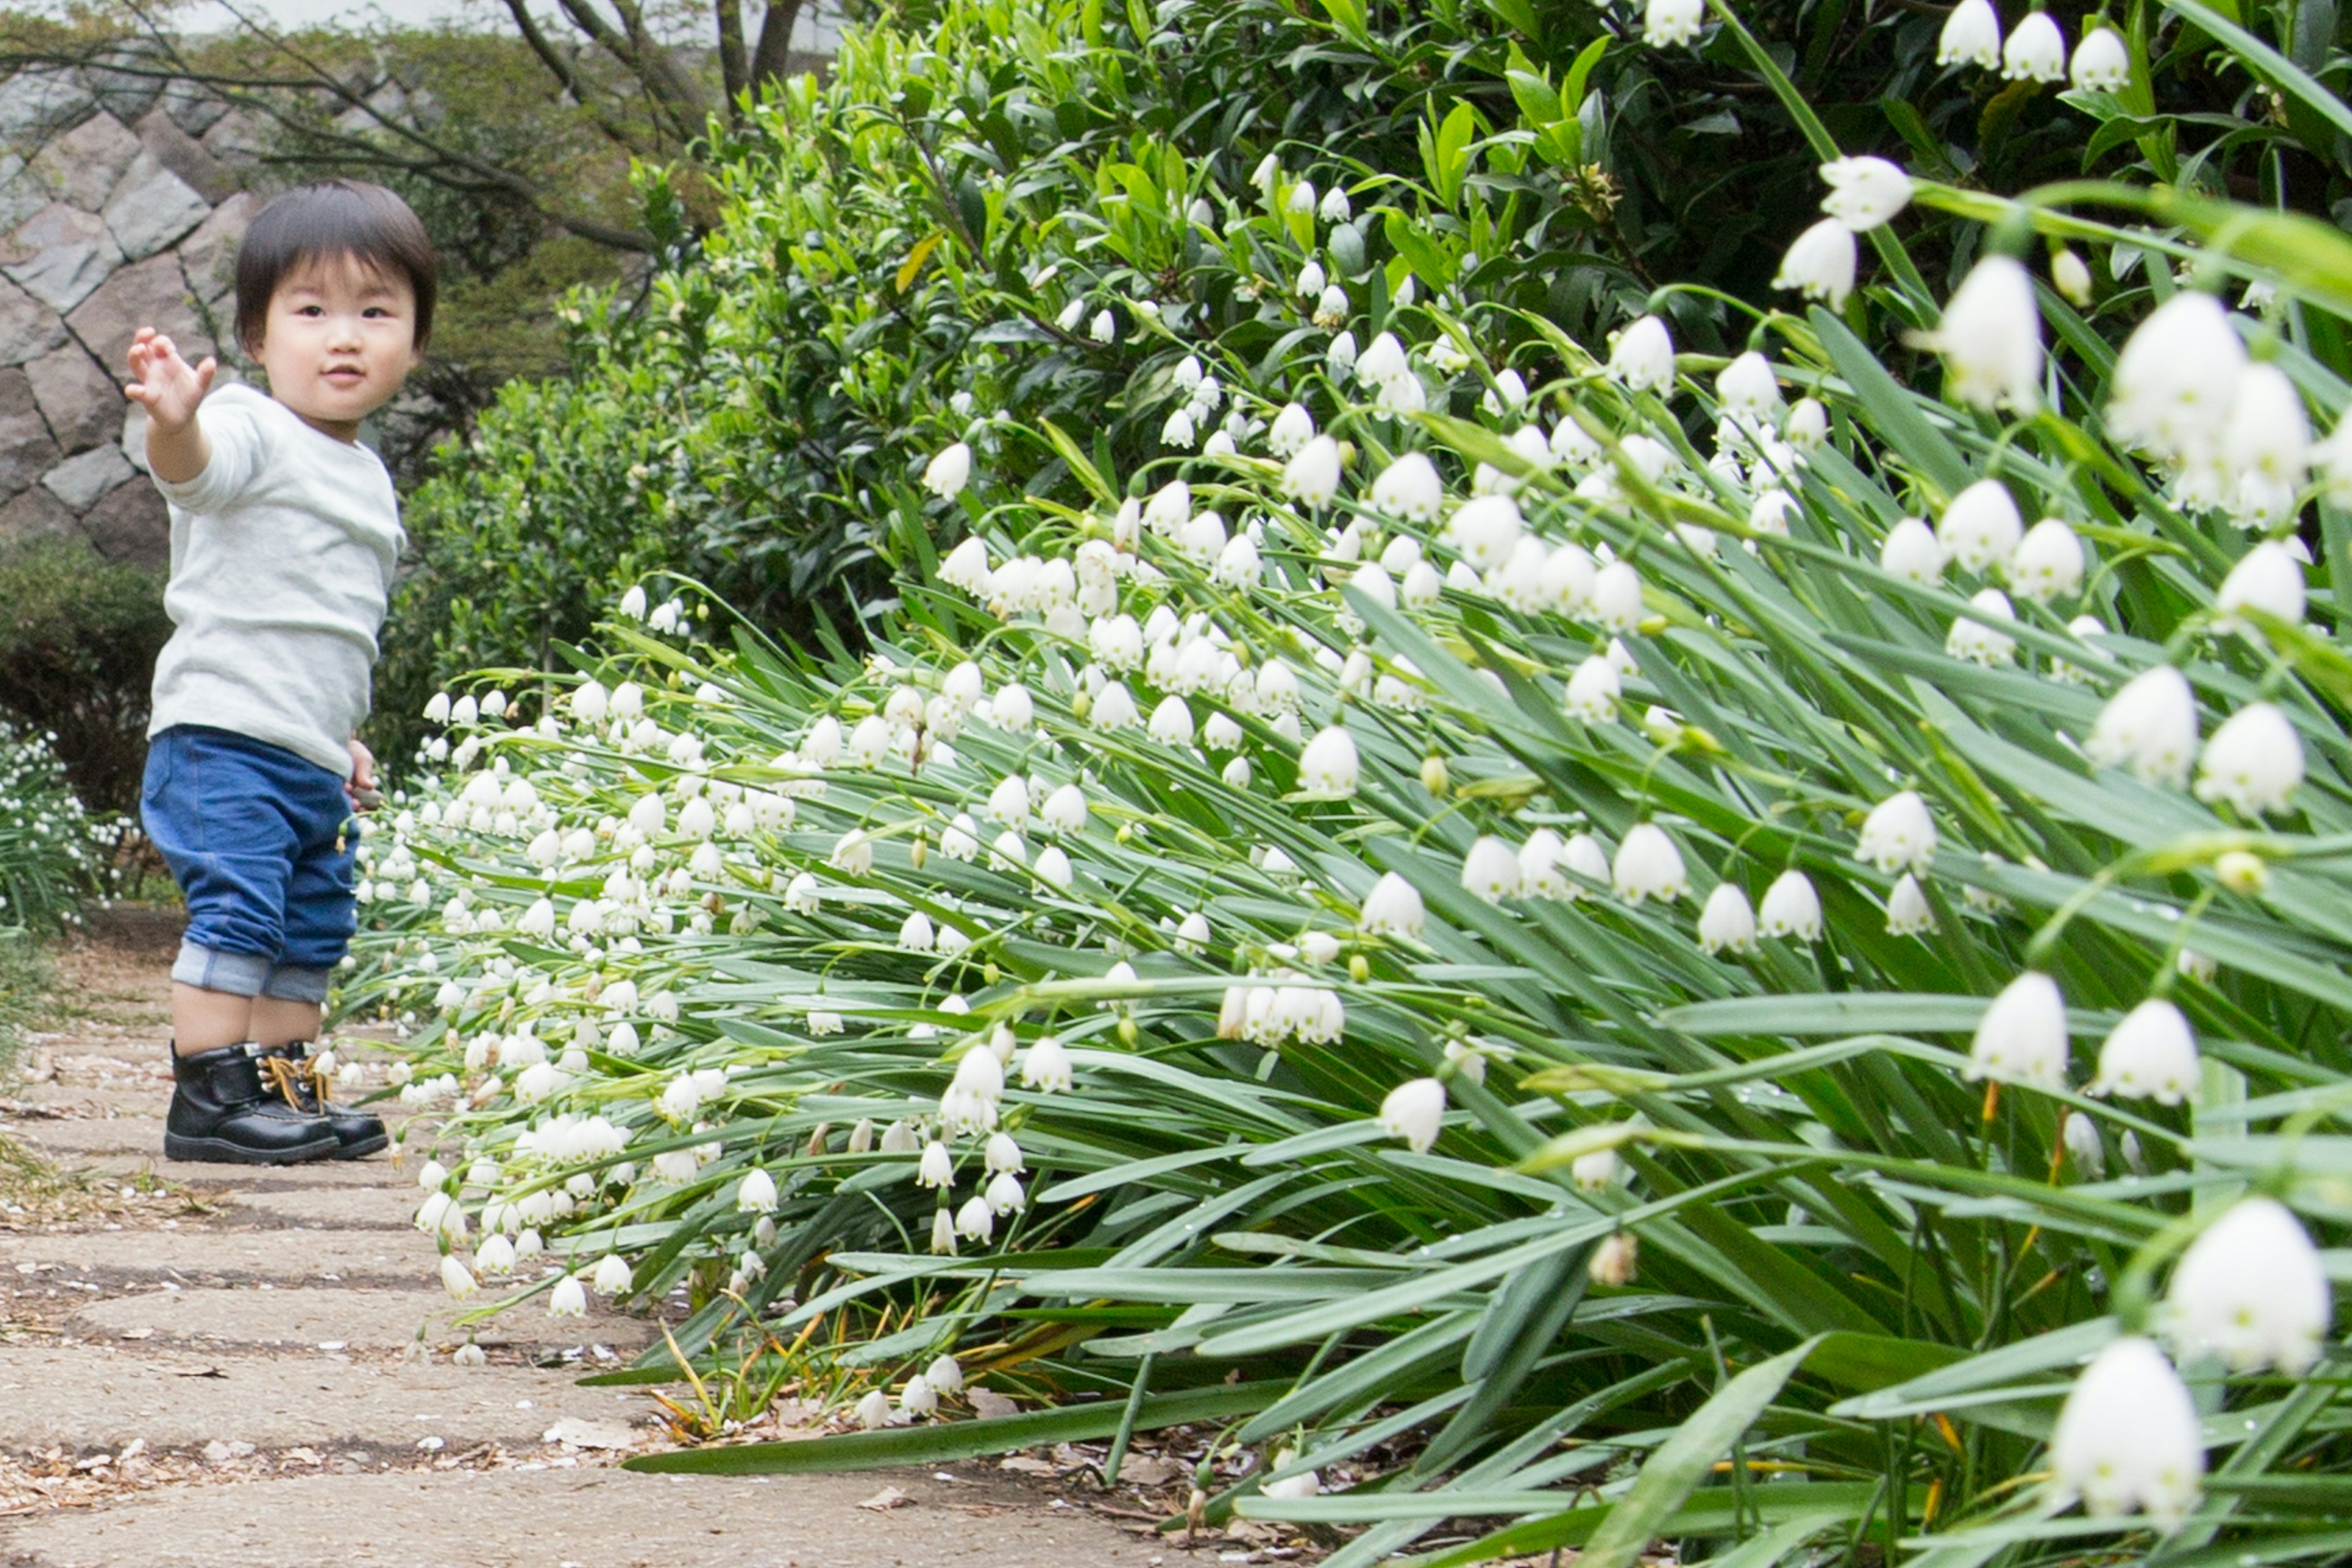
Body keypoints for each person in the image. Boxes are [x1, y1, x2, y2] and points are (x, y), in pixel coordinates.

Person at [125, 179, 435, 1164]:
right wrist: (177, 418)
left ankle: (286, 1097)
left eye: (375, 312)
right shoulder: (254, 426)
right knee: (242, 911)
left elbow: (332, 629)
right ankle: (208, 1101)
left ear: (415, 343)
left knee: (309, 928)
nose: (343, 336)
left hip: (304, 750)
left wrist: (339, 733)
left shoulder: (367, 475)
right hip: (223, 736)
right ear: (259, 338)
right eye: (311, 311)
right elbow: (194, 470)